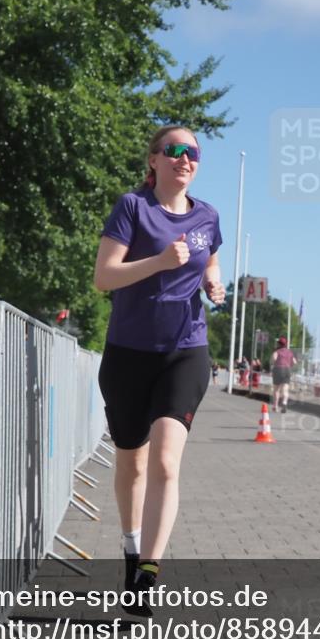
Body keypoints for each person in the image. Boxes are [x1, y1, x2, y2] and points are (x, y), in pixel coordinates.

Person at [93, 125, 224, 613]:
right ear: (153, 160)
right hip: (128, 353)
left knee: (167, 461)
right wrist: (160, 261)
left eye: (192, 152)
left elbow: (209, 262)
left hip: (185, 351)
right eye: (173, 150)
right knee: (132, 460)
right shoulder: (133, 207)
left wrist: (214, 284)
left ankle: (148, 572)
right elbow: (104, 277)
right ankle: (131, 546)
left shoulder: (208, 216)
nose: (184, 158)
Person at [271, 336, 297, 412]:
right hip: (287, 370)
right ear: (286, 344)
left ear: (279, 344)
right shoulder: (290, 352)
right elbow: (295, 362)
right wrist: (289, 364)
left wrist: (274, 363)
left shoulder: (277, 351)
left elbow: (273, 359)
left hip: (278, 369)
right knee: (285, 389)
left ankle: (275, 406)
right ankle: (284, 403)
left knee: (276, 389)